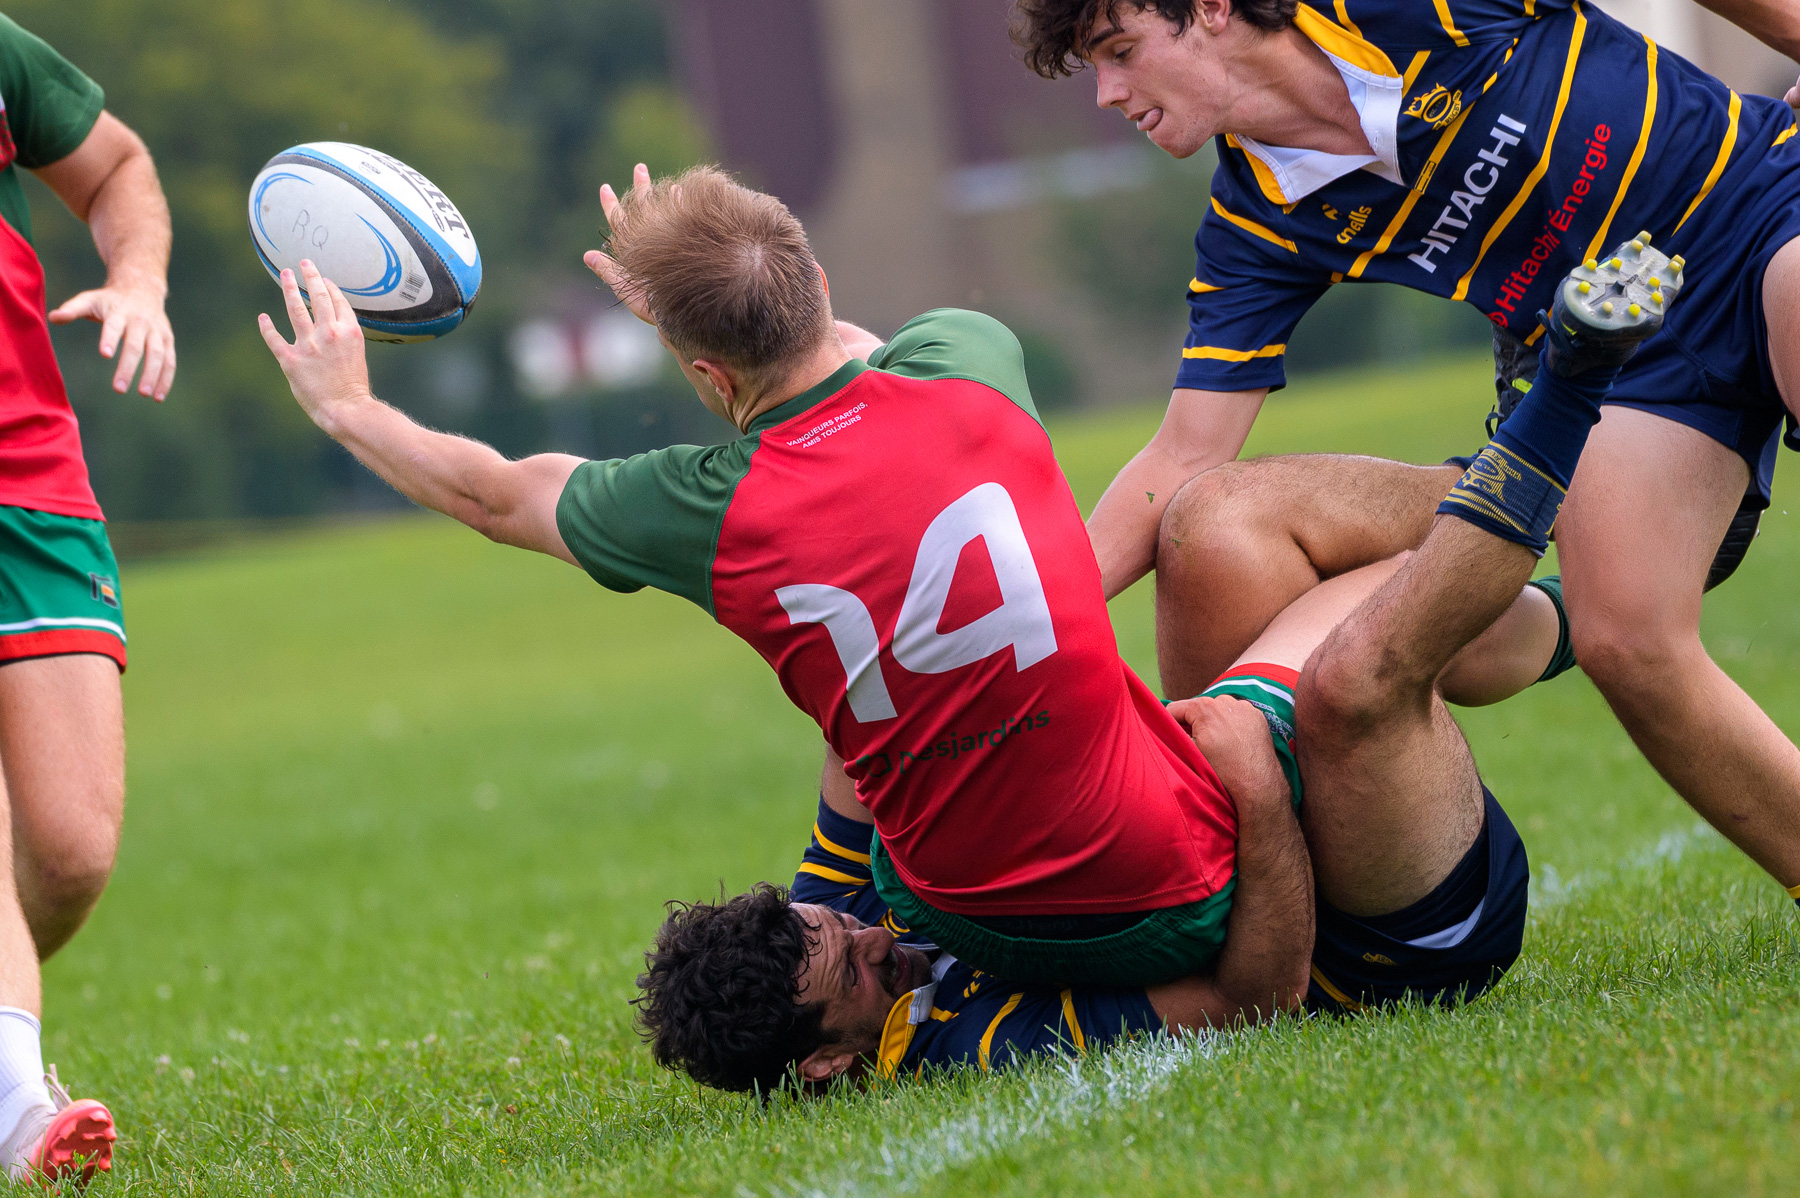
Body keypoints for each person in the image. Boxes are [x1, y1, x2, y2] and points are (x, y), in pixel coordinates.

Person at [258, 165, 1312, 1006]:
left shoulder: (706, 505)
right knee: (1325, 566)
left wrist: (349, 406)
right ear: (813, 281)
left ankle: (822, 920)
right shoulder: (968, 356)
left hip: (954, 910)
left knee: (866, 685)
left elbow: (494, 496)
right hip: (1176, 887)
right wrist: (700, 305)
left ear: (709, 379)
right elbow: (849, 354)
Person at [1010, 0, 1800, 909]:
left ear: (1213, 10)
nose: (1107, 94)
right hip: (1627, 358)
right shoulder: (1259, 220)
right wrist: (1036, 617)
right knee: (1624, 637)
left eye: (1119, 52)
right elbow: (1186, 449)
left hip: (1757, 202)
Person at [632, 444, 1576, 1091]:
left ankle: (1590, 601)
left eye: (834, 919)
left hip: (1229, 841)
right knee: (1347, 686)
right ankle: (1566, 460)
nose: (876, 934)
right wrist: (1253, 790)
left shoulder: (833, 922)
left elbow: (859, 731)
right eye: (856, 968)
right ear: (826, 1064)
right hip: (1380, 947)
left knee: (1213, 526)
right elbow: (1255, 1001)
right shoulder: (980, 1046)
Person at [0, 14, 178, 1182]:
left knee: (67, 850)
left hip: (28, 474)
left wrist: (138, 283)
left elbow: (117, 167)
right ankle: (17, 1102)